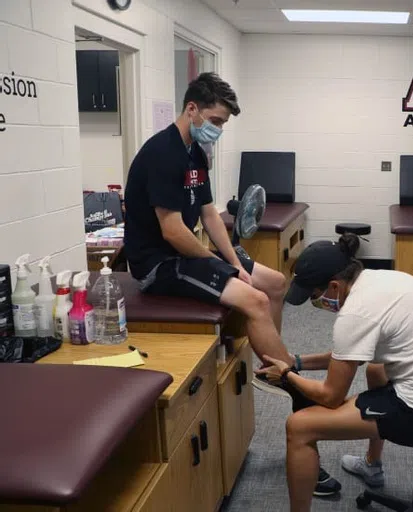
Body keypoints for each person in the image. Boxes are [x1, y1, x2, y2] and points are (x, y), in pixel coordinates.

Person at [122, 72, 341, 496]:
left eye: (223, 124)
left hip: (188, 251)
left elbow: (207, 216)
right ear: (193, 109)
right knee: (256, 301)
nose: (219, 130)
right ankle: (297, 392)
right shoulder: (163, 153)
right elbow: (172, 231)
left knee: (274, 282)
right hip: (159, 265)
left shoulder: (195, 153)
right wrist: (219, 265)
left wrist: (231, 260)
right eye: (217, 121)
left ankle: (269, 366)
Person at [256, 234, 413, 512]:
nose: (316, 303)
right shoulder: (384, 279)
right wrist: (297, 362)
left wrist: (287, 375)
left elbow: (331, 396)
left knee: (300, 427)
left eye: (314, 296)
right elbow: (352, 356)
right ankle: (372, 467)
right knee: (376, 369)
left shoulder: (355, 316)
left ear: (334, 286)